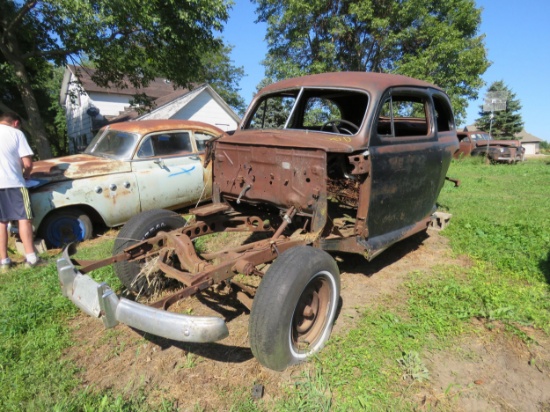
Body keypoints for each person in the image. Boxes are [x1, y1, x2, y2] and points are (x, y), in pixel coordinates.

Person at [0, 112, 43, 271]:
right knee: (24, 218)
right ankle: (31, 258)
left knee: (1, 222)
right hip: (13, 183)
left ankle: (4, 262)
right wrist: (26, 175)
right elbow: (28, 163)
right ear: (16, 123)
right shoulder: (16, 133)